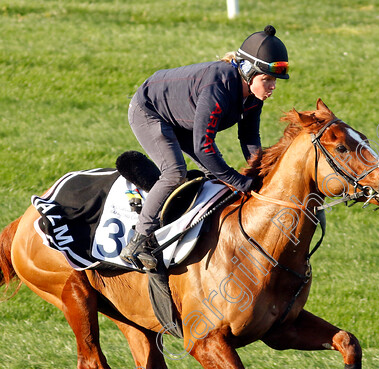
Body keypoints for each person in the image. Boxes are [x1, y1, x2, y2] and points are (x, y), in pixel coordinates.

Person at [120, 25, 290, 270]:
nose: (272, 86)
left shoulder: (253, 96)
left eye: (274, 80)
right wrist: (240, 181)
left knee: (215, 176)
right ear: (248, 72)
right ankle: (138, 241)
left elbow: (249, 137)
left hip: (181, 116)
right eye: (267, 79)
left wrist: (262, 173)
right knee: (174, 172)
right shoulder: (218, 86)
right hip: (150, 111)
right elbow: (203, 147)